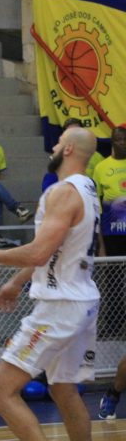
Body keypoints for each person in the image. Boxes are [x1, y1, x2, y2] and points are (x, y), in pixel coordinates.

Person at [0, 126, 100, 441]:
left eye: (59, 142)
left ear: (67, 150)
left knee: (1, 393)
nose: (54, 147)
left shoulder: (63, 193)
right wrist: (16, 282)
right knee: (63, 390)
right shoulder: (89, 190)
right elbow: (55, 250)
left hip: (60, 306)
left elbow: (38, 253)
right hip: (83, 301)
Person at [92, 124, 126, 342]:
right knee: (113, 282)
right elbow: (96, 207)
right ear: (112, 142)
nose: (122, 143)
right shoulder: (101, 168)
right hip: (112, 235)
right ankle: (113, 326)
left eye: (125, 140)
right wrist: (101, 244)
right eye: (118, 139)